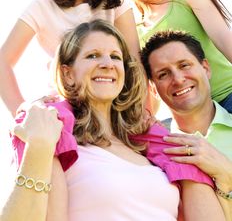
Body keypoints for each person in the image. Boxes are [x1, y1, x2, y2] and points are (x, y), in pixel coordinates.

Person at [0, 20, 226, 221]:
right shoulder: (51, 131)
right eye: (93, 55)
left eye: (115, 56)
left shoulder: (156, 146)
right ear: (68, 73)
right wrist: (38, 147)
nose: (108, 64)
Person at [0, 0, 140, 117]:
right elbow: (3, 61)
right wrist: (20, 109)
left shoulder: (114, 2)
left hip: (112, 104)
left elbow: (134, 59)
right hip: (66, 106)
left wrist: (142, 110)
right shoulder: (42, 7)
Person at [119, 0, 232, 112]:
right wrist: (147, 117)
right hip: (191, 115)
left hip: (227, 94)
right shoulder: (136, 29)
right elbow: (149, 85)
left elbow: (223, 38)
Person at [140, 29, 232, 219]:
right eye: (163, 74)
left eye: (184, 65)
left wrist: (226, 176)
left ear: (206, 68)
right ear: (154, 90)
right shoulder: (155, 156)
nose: (178, 79)